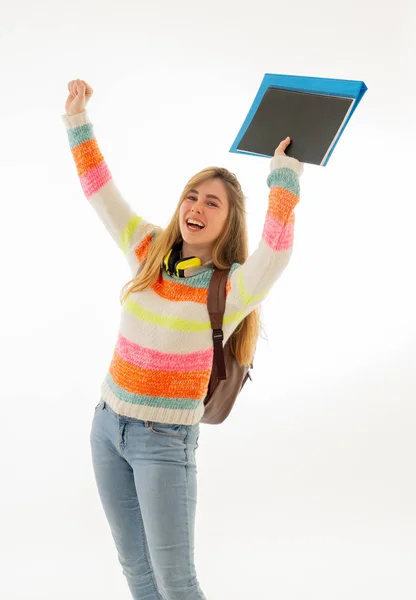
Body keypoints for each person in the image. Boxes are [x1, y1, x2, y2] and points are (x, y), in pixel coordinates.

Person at [62, 78, 304, 600]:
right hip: (106, 426)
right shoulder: (149, 249)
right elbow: (101, 192)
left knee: (176, 581)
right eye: (191, 195)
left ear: (227, 220)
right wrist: (78, 121)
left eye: (212, 202)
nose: (196, 206)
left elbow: (276, 252)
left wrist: (284, 181)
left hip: (164, 442)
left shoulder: (233, 285)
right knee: (135, 569)